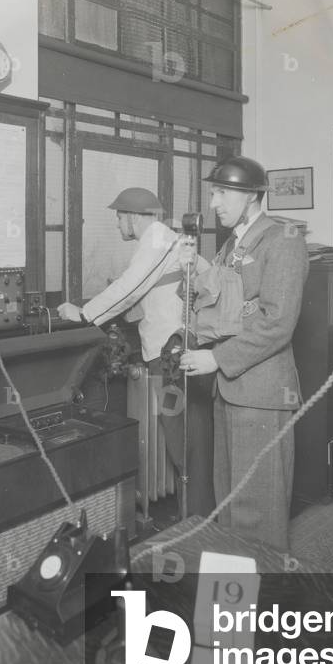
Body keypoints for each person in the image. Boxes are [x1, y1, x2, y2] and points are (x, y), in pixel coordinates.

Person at [58, 187, 215, 518]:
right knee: (190, 438)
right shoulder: (165, 241)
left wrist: (85, 314)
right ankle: (198, 516)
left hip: (171, 355)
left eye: (118, 217)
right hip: (177, 350)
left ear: (132, 217)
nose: (117, 225)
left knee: (183, 440)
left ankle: (197, 521)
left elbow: (128, 289)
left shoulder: (158, 239)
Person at [179, 157, 309, 551]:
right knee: (232, 504)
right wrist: (192, 271)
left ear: (252, 195)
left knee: (258, 511)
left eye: (222, 192)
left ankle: (263, 607)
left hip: (261, 395)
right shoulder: (232, 243)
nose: (214, 202)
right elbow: (223, 305)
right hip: (232, 390)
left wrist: (216, 359)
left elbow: (277, 322)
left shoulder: (283, 239)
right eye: (213, 192)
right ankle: (232, 608)